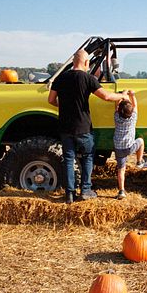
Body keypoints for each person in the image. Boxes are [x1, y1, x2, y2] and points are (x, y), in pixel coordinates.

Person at [48, 49, 129, 204]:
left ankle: (69, 194)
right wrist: (123, 96)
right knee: (87, 157)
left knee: (69, 159)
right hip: (83, 127)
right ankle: (85, 190)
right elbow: (106, 96)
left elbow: (50, 100)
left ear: (73, 62)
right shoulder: (88, 78)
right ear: (86, 63)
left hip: (65, 127)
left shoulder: (61, 78)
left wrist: (64, 106)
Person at [113, 90, 145, 200]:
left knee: (121, 170)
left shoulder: (117, 118)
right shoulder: (133, 118)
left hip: (118, 149)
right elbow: (135, 105)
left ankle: (121, 191)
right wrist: (131, 95)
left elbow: (116, 106)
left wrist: (122, 95)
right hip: (129, 147)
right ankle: (139, 161)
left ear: (119, 111)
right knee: (140, 141)